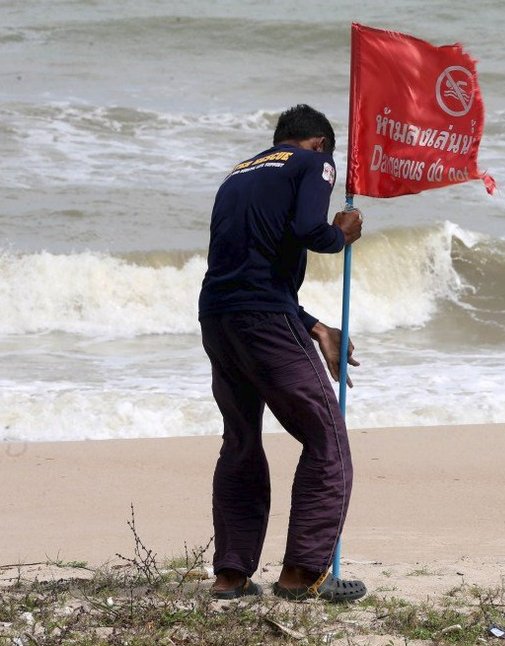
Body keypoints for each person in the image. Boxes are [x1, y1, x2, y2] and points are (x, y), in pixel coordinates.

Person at [198, 104, 366, 602]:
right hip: (265, 323)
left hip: (218, 319)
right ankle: (302, 574)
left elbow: (250, 272)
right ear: (318, 143)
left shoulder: (237, 174)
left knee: (241, 440)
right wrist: (342, 234)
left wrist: (314, 327)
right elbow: (309, 230)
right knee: (327, 440)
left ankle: (231, 576)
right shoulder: (314, 162)